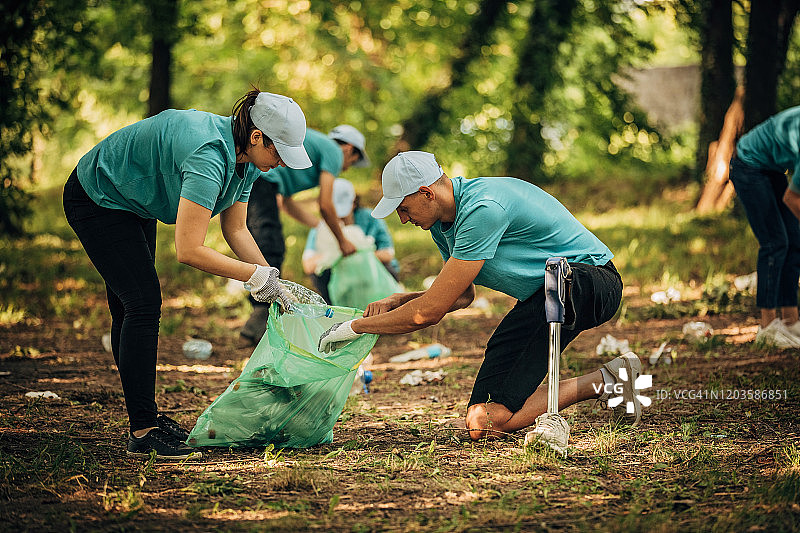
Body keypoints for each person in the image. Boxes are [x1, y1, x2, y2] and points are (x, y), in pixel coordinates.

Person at [317, 151, 642, 446]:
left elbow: (428, 312)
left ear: (427, 193)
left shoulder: (483, 208)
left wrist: (356, 327)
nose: (403, 219)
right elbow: (461, 296)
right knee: (484, 422)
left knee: (557, 287)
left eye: (403, 208)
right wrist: (400, 300)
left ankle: (563, 414)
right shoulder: (442, 224)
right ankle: (609, 381)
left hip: (588, 281)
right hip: (544, 295)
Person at [63, 89, 310, 460]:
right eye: (278, 153)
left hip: (133, 201)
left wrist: (271, 282)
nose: (280, 163)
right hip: (98, 194)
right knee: (142, 303)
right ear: (257, 136)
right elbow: (189, 249)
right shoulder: (209, 154)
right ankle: (143, 431)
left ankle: (144, 418)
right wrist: (253, 277)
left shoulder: (246, 159)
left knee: (132, 307)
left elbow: (237, 230)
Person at [240, 124, 370, 344]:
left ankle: (256, 321)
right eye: (352, 163)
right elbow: (326, 205)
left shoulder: (313, 152)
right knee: (270, 245)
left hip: (260, 182)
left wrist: (321, 227)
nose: (346, 169)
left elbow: (287, 205)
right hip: (260, 181)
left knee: (261, 243)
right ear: (349, 149)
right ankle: (260, 317)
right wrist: (342, 241)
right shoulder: (333, 151)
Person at [729, 106, 800, 349]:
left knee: (794, 240)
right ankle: (767, 328)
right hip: (747, 164)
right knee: (775, 242)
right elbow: (793, 199)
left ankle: (791, 321)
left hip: (770, 167)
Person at [302, 178, 399, 303]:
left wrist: (359, 256)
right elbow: (308, 265)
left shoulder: (370, 219)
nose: (340, 216)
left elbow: (388, 254)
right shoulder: (323, 228)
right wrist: (334, 256)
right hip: (343, 282)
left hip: (370, 278)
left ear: (354, 202)